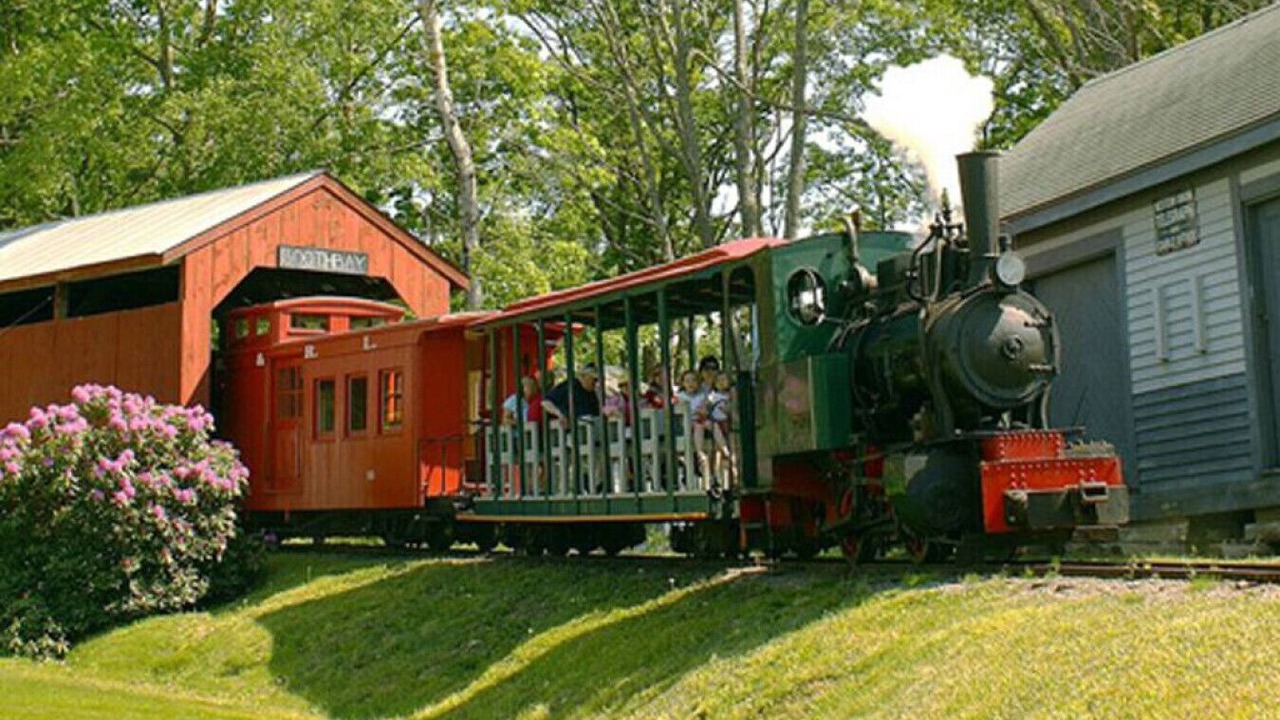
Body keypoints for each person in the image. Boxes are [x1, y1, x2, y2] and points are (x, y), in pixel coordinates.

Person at [675, 369, 711, 486]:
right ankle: (699, 453)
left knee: (704, 424)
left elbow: (705, 410)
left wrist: (703, 411)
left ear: (698, 382)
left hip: (699, 423)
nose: (690, 383)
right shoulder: (680, 397)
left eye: (693, 380)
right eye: (687, 381)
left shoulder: (702, 396)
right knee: (698, 425)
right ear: (683, 383)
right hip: (684, 425)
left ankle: (705, 460)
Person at [707, 371, 736, 490]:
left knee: (733, 449)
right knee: (718, 451)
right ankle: (717, 479)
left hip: (730, 424)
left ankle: (733, 476)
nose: (721, 383)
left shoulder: (731, 394)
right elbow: (708, 405)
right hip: (717, 423)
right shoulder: (713, 395)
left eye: (724, 380)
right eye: (718, 381)